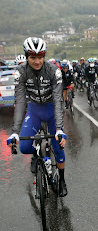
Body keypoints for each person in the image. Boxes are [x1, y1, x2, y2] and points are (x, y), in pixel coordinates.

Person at [6, 37, 68, 197]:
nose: (37, 61)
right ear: (27, 56)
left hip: (51, 109)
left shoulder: (53, 70)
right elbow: (20, 101)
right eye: (33, 57)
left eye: (40, 57)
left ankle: (61, 180)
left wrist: (60, 129)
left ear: (44, 56)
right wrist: (15, 131)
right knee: (24, 147)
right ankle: (38, 154)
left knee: (59, 147)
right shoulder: (21, 72)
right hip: (34, 110)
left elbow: (57, 99)